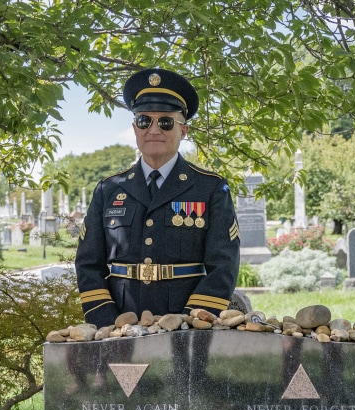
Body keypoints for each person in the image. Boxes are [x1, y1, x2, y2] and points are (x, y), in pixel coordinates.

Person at [75, 68, 241, 328]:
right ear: (134, 128)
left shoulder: (209, 188)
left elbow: (223, 266)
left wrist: (190, 321)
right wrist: (107, 321)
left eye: (165, 122)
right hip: (120, 324)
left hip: (185, 324)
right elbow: (88, 263)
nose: (154, 129)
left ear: (183, 130)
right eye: (144, 121)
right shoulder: (108, 189)